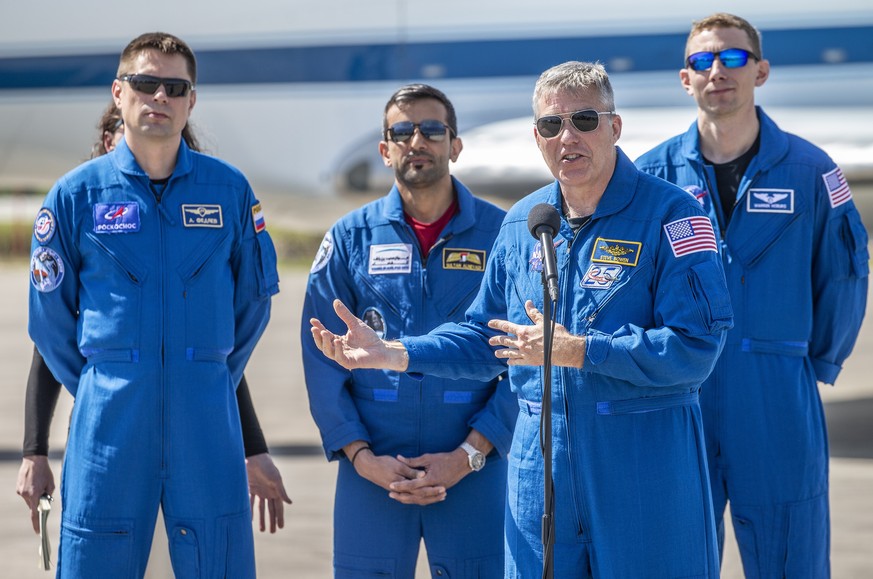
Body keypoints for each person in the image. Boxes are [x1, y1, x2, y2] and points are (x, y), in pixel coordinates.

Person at [309, 61, 735, 577]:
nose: (568, 137)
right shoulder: (525, 223)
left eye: (584, 120)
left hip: (642, 462)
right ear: (537, 137)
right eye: (552, 126)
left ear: (615, 127)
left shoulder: (673, 215)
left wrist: (580, 351)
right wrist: (396, 353)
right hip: (540, 465)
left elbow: (695, 349)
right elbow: (484, 340)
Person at [27, 32, 280, 578]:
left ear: (192, 101)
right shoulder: (75, 198)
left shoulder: (229, 191)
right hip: (109, 430)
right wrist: (107, 381)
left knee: (219, 560)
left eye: (174, 86)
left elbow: (253, 306)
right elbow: (48, 323)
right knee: (96, 559)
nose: (159, 97)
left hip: (207, 423)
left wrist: (206, 369)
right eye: (145, 84)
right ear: (119, 93)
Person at [634, 13, 869, 577]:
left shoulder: (812, 171)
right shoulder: (651, 178)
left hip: (777, 396)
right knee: (675, 554)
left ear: (760, 71)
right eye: (702, 60)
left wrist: (811, 361)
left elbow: (844, 275)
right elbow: (631, 290)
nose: (718, 70)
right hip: (679, 395)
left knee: (792, 552)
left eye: (733, 58)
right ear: (685, 78)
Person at [301, 83, 517, 577]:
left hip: (472, 467)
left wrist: (471, 453)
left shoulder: (502, 234)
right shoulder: (349, 237)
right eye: (402, 131)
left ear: (456, 145)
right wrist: (359, 456)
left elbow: (523, 356)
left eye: (432, 129)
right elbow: (320, 358)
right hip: (375, 470)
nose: (416, 140)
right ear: (384, 149)